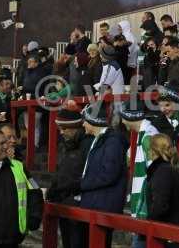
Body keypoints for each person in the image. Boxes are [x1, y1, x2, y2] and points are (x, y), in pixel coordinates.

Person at [79, 101, 129, 248]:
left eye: (85, 121)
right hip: (95, 204)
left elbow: (108, 174)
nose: (83, 125)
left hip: (103, 206)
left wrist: (81, 184)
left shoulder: (112, 143)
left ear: (93, 122)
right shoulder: (99, 140)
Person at [0, 129, 38, 247]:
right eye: (2, 143)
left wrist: (34, 218)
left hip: (14, 240)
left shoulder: (18, 166)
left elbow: (35, 191)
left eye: (6, 142)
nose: (6, 146)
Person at [46, 105, 93, 248]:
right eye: (60, 128)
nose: (61, 132)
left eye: (65, 128)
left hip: (78, 203)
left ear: (76, 127)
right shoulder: (67, 145)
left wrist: (66, 188)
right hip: (64, 201)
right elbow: (62, 171)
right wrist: (54, 188)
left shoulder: (87, 145)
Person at [119, 100, 159, 248]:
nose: (122, 121)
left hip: (145, 209)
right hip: (142, 207)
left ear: (131, 117)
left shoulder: (148, 137)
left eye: (124, 117)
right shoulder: (143, 135)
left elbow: (154, 174)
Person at [146, 134, 179, 225]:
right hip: (168, 225)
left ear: (154, 151)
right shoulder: (170, 168)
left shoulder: (163, 171)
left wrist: (148, 223)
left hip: (162, 228)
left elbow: (160, 205)